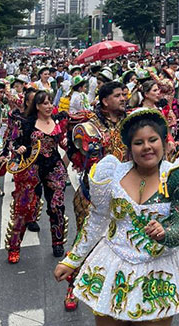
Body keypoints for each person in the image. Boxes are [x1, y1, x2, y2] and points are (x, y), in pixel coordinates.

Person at [53, 108, 179, 326]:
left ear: (164, 141)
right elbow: (97, 220)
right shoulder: (111, 174)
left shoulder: (177, 175)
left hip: (157, 275)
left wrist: (167, 232)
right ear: (129, 147)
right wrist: (72, 258)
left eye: (153, 140)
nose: (147, 147)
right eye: (139, 142)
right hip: (113, 272)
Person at [65, 81, 128, 307]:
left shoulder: (130, 123)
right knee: (85, 239)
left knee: (121, 244)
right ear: (104, 101)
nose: (123, 98)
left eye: (124, 94)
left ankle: (116, 291)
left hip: (125, 195)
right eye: (118, 95)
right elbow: (83, 154)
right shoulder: (89, 126)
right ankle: (72, 286)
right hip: (91, 195)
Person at [5, 90, 70, 263]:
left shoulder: (57, 121)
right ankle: (14, 247)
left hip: (54, 167)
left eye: (50, 103)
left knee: (57, 206)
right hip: (31, 168)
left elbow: (63, 140)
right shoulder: (26, 123)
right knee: (25, 208)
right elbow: (13, 141)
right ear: (37, 106)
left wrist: (65, 143)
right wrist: (18, 149)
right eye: (45, 103)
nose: (49, 106)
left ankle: (57, 242)